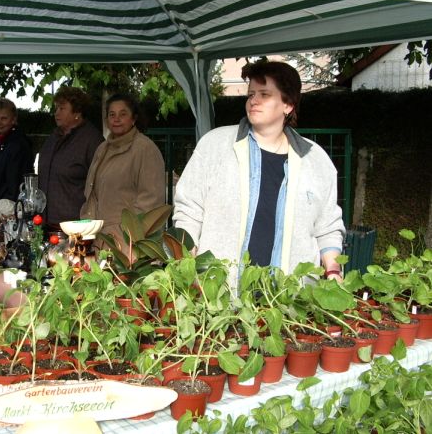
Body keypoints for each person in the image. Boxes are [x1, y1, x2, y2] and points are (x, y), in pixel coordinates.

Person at [173, 61, 345, 282]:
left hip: (290, 302)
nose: (254, 100)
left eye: (264, 94)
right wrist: (186, 260)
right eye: (251, 94)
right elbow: (189, 209)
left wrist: (333, 271)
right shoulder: (214, 145)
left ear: (288, 105)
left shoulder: (315, 160)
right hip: (218, 297)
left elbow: (327, 226)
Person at [81, 93, 165, 249]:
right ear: (107, 120)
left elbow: (150, 204)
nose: (116, 119)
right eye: (112, 114)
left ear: (134, 119)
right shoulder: (102, 149)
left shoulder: (145, 149)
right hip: (99, 241)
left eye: (123, 114)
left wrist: (128, 240)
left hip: (128, 246)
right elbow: (92, 196)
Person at [38, 87, 103, 229]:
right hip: (46, 222)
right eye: (56, 109)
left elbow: (101, 184)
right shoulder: (53, 137)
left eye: (62, 109)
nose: (57, 113)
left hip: (76, 225)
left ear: (77, 112)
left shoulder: (92, 140)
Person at [0, 98, 34, 207]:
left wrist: (4, 210)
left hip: (7, 210)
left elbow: (15, 183)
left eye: (4, 118)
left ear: (13, 119)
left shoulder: (18, 145)